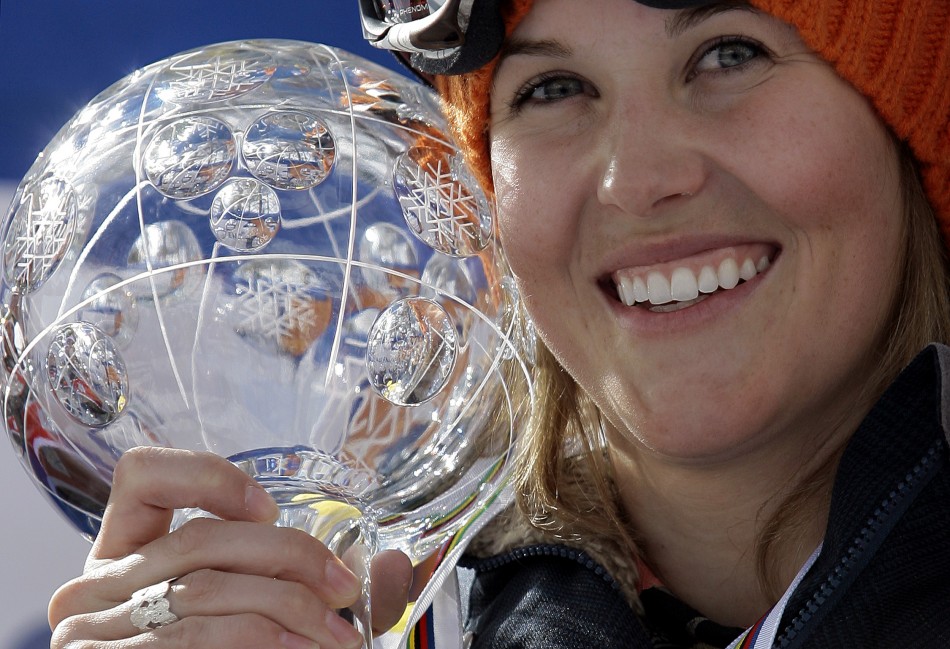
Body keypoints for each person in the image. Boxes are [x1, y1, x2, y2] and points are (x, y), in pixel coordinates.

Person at [49, 0, 950, 648]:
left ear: (905, 123)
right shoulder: (391, 610)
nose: (637, 180)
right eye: (554, 87)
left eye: (729, 54)